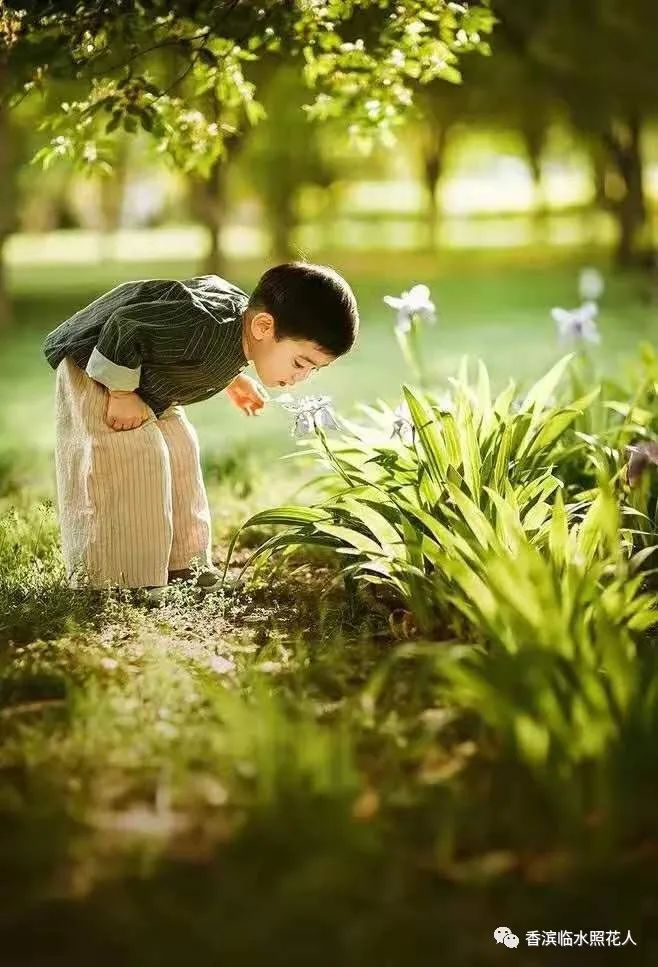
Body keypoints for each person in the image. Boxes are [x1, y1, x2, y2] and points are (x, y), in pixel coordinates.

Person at [43, 261, 359, 601]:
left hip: (150, 381)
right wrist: (120, 393)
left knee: (181, 449)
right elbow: (127, 325)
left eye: (313, 371)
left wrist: (232, 378)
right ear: (264, 326)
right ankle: (122, 579)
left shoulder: (242, 330)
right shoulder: (200, 326)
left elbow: (201, 349)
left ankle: (185, 566)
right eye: (300, 363)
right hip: (98, 364)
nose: (301, 377)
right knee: (133, 455)